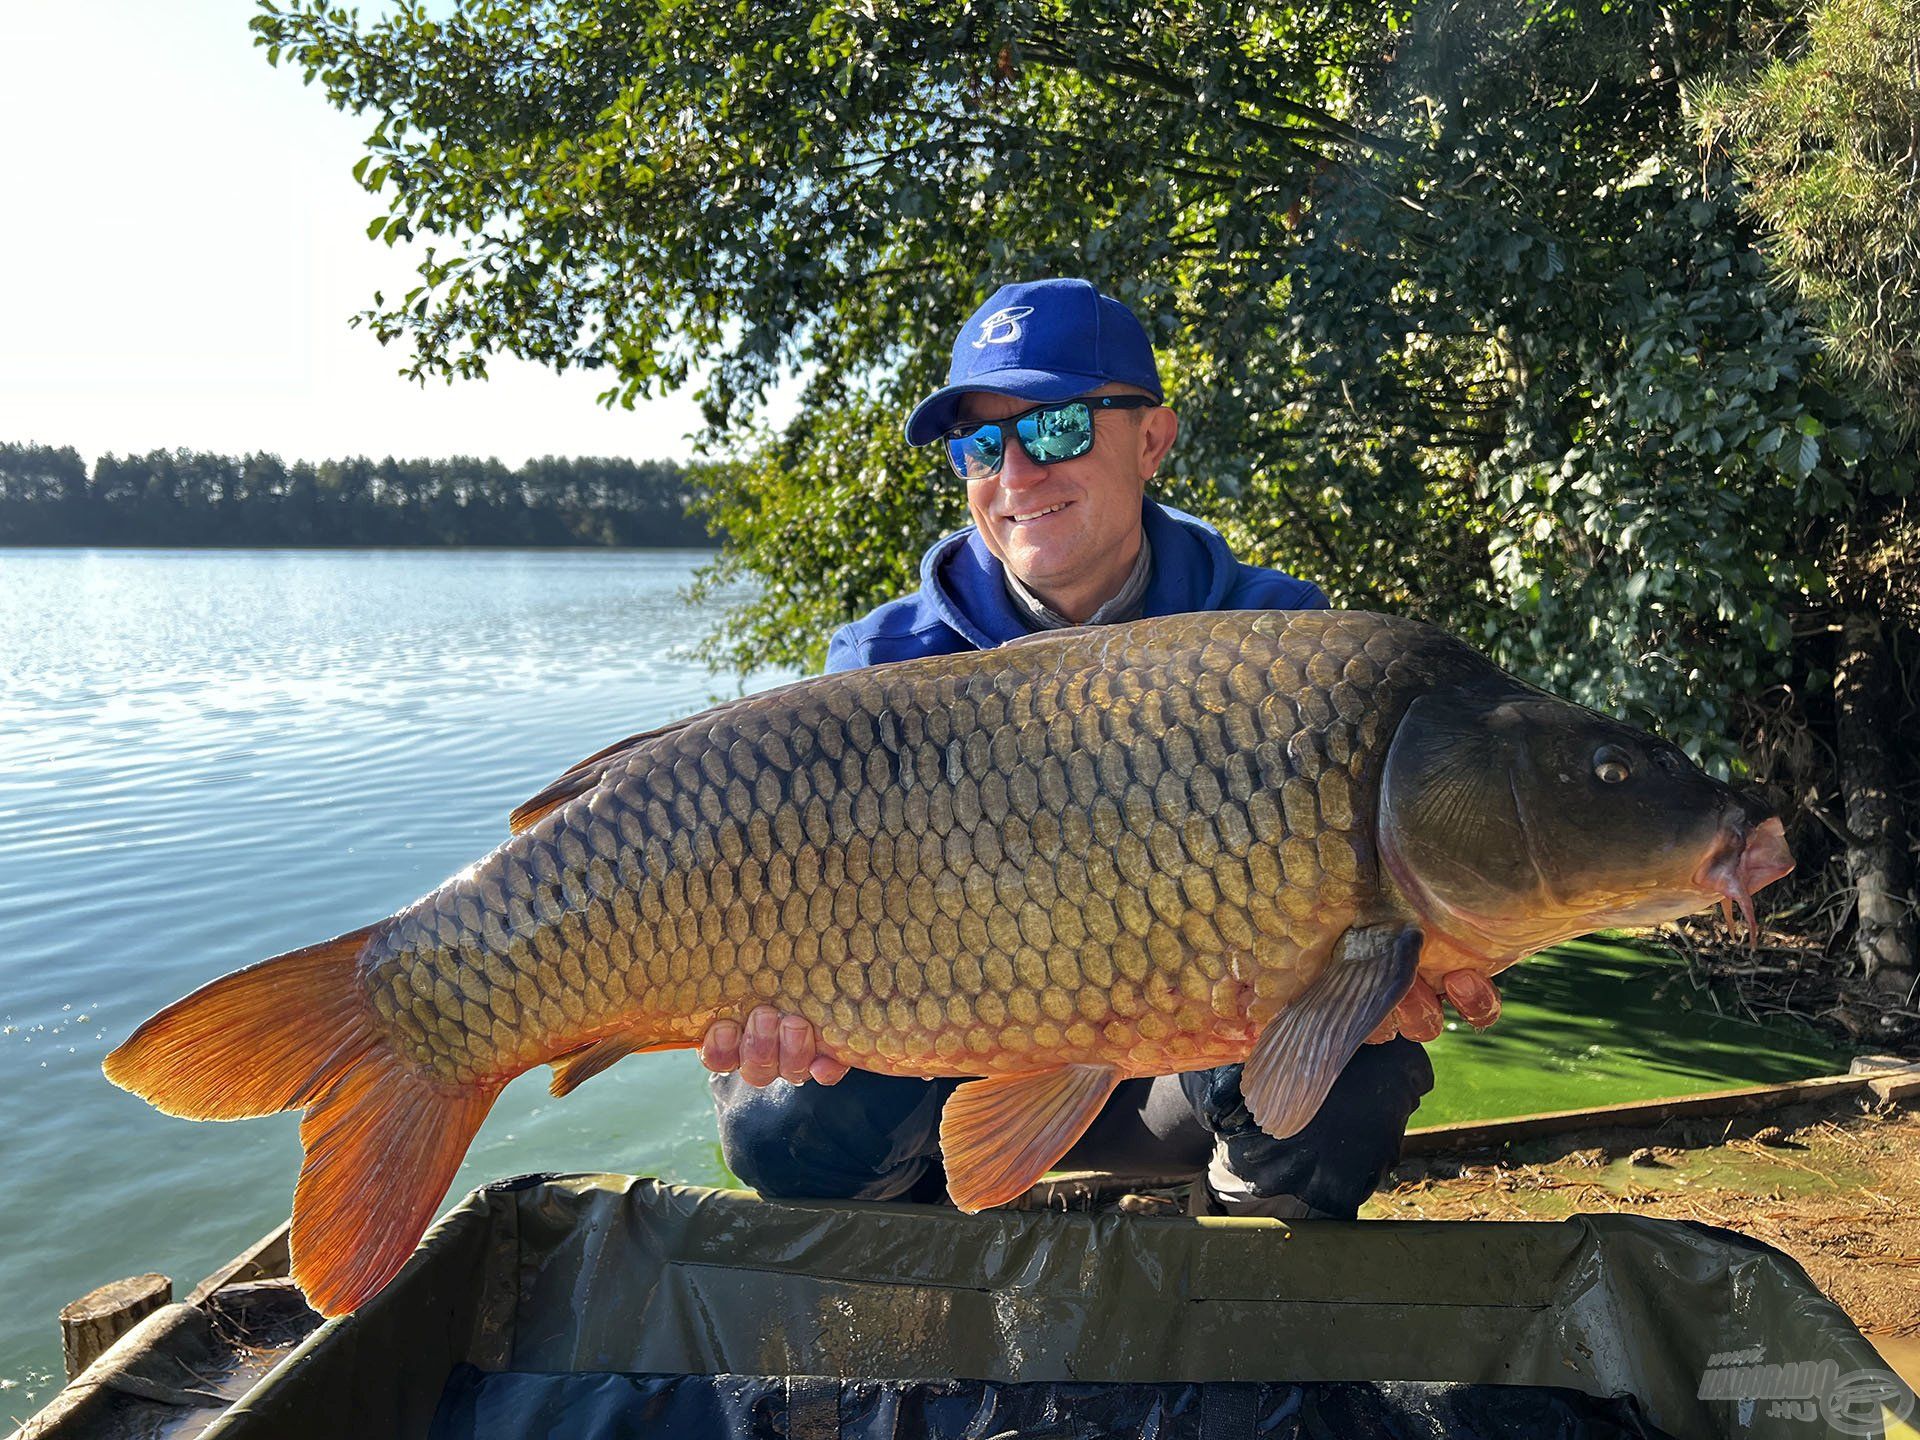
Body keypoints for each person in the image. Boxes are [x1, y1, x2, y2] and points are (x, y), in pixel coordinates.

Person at [695, 278, 1498, 1216]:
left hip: (1182, 1078)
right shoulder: (881, 668)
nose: (1017, 474)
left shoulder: (1280, 645)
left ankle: (1237, 1262)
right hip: (952, 1071)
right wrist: (773, 1008)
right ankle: (930, 1258)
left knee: (1361, 1062)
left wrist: (1394, 970)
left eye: (1057, 428)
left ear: (1151, 439)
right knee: (780, 1122)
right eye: (982, 445)